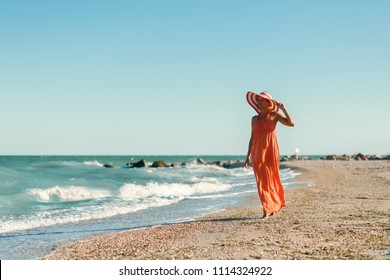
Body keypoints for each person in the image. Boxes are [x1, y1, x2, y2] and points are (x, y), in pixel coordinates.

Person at [245, 91, 294, 219]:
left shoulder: (274, 115)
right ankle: (266, 209)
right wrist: (247, 156)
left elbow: (291, 123)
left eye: (263, 100)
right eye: (259, 101)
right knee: (261, 181)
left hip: (271, 151)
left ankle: (273, 205)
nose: (260, 103)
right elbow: (252, 138)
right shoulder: (254, 119)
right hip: (257, 152)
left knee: (271, 178)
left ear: (269, 102)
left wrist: (283, 109)